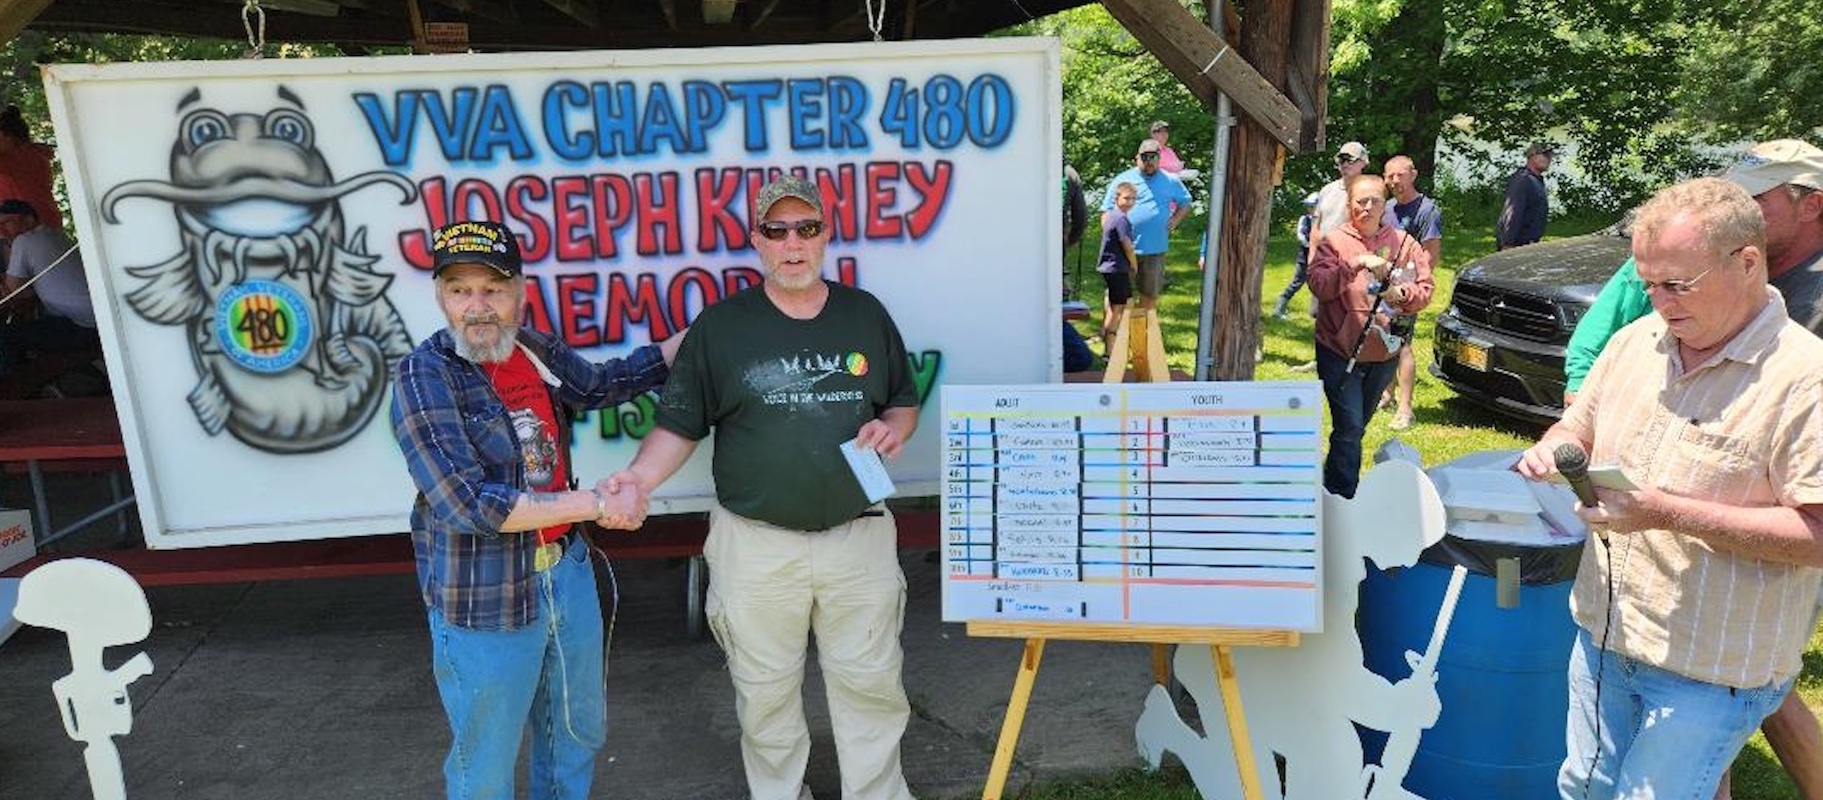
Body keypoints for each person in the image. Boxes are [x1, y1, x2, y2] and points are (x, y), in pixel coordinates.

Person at [610, 176, 921, 800]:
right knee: (764, 691)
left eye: (806, 228)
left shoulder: (866, 314)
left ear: (825, 234)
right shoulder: (722, 328)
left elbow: (902, 404)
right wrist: (638, 481)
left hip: (856, 535)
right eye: (776, 231)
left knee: (874, 685)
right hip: (755, 543)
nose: (793, 243)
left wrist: (891, 430)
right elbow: (679, 426)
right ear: (757, 241)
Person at [1515, 177, 1823, 800]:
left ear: (1746, 262)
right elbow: (1580, 420)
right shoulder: (1636, 342)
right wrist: (1554, 443)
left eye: (1678, 284)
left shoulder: (1804, 379)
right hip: (1606, 636)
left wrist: (1664, 512)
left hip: (1710, 669)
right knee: (1583, 787)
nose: (1658, 301)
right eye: (1647, 282)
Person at [389, 219, 680, 800]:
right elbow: (469, 503)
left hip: (565, 575)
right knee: (486, 766)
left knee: (575, 735)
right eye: (460, 289)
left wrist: (698, 337)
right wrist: (598, 502)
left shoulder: (531, 348)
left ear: (520, 291)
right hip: (484, 593)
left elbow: (602, 384)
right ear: (440, 296)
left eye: (493, 289)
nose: (477, 306)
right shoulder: (424, 375)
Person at [1307, 174, 1433, 499]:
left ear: (1384, 204)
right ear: (1350, 205)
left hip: (1384, 354)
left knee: (1356, 428)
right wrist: (1357, 262)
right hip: (1339, 351)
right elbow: (1319, 284)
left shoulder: (1405, 242)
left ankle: (1328, 486)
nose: (1367, 207)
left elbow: (1425, 289)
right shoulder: (1333, 241)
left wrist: (1401, 294)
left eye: (1374, 200)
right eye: (1360, 201)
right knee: (1349, 429)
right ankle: (1341, 498)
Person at [1377, 155, 1443, 431]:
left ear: (1413, 175)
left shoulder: (1427, 210)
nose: (1394, 181)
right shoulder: (1388, 208)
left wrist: (1409, 286)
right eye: (1389, 176)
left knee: (1402, 344)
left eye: (1399, 175)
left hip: (1407, 290)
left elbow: (1432, 255)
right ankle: (1387, 394)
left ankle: (1406, 409)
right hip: (1384, 286)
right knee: (1384, 339)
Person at [0, 198, 99, 376]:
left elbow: (12, 292)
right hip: (96, 320)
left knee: (6, 336)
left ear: (29, 220)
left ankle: (15, 394)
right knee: (27, 327)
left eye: (8, 222)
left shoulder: (24, 241)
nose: (3, 230)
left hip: (86, 327)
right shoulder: (56, 234)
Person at [1099, 139, 1191, 313]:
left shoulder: (1170, 180)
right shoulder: (1123, 179)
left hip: (1154, 249)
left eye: (1153, 157)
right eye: (1145, 157)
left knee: (1149, 295)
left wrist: (1175, 220)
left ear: (1159, 158)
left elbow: (1185, 202)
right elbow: (1106, 211)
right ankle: (1112, 333)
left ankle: (1141, 334)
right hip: (1122, 250)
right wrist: (1110, 239)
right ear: (1137, 158)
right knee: (1116, 295)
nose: (1149, 161)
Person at [0, 106, 63, 234]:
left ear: (9, 137)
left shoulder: (14, 159)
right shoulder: (35, 154)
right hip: (47, 222)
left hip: (25, 229)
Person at [1097, 181, 1140, 343]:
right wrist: (1134, 265)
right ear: (1117, 198)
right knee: (1118, 309)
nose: (1130, 203)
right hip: (1116, 268)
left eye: (1133, 199)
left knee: (1115, 305)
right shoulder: (1121, 219)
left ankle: (1108, 342)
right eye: (1127, 198)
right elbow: (1127, 245)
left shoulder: (1111, 216)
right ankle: (1111, 346)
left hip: (1110, 267)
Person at [1271, 192, 1320, 320]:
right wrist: (1311, 245)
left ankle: (1317, 312)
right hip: (1304, 258)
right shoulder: (1305, 219)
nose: (1311, 209)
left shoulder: (1323, 221)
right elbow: (1301, 236)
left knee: (1320, 285)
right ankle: (1279, 309)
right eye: (1309, 206)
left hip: (1320, 258)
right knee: (1297, 282)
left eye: (1313, 206)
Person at [1496, 142, 1552, 250]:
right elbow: (1513, 211)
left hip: (1529, 244)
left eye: (1549, 156)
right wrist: (1508, 243)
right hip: (1517, 244)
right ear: (1531, 156)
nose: (1547, 158)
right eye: (1543, 154)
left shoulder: (1535, 180)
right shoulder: (1523, 179)